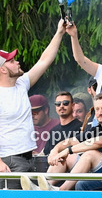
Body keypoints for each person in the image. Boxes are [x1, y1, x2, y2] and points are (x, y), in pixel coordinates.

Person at [0, 22, 65, 186]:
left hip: (29, 157)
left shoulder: (21, 83)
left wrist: (59, 32)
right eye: (11, 61)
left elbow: (44, 60)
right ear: (2, 69)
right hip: (9, 161)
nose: (17, 62)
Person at [44, 93, 102, 191]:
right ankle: (44, 186)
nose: (100, 112)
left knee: (90, 154)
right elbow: (70, 141)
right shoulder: (94, 129)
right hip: (95, 169)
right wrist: (55, 151)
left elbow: (99, 142)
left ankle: (61, 190)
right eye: (97, 109)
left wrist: (68, 150)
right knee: (68, 157)